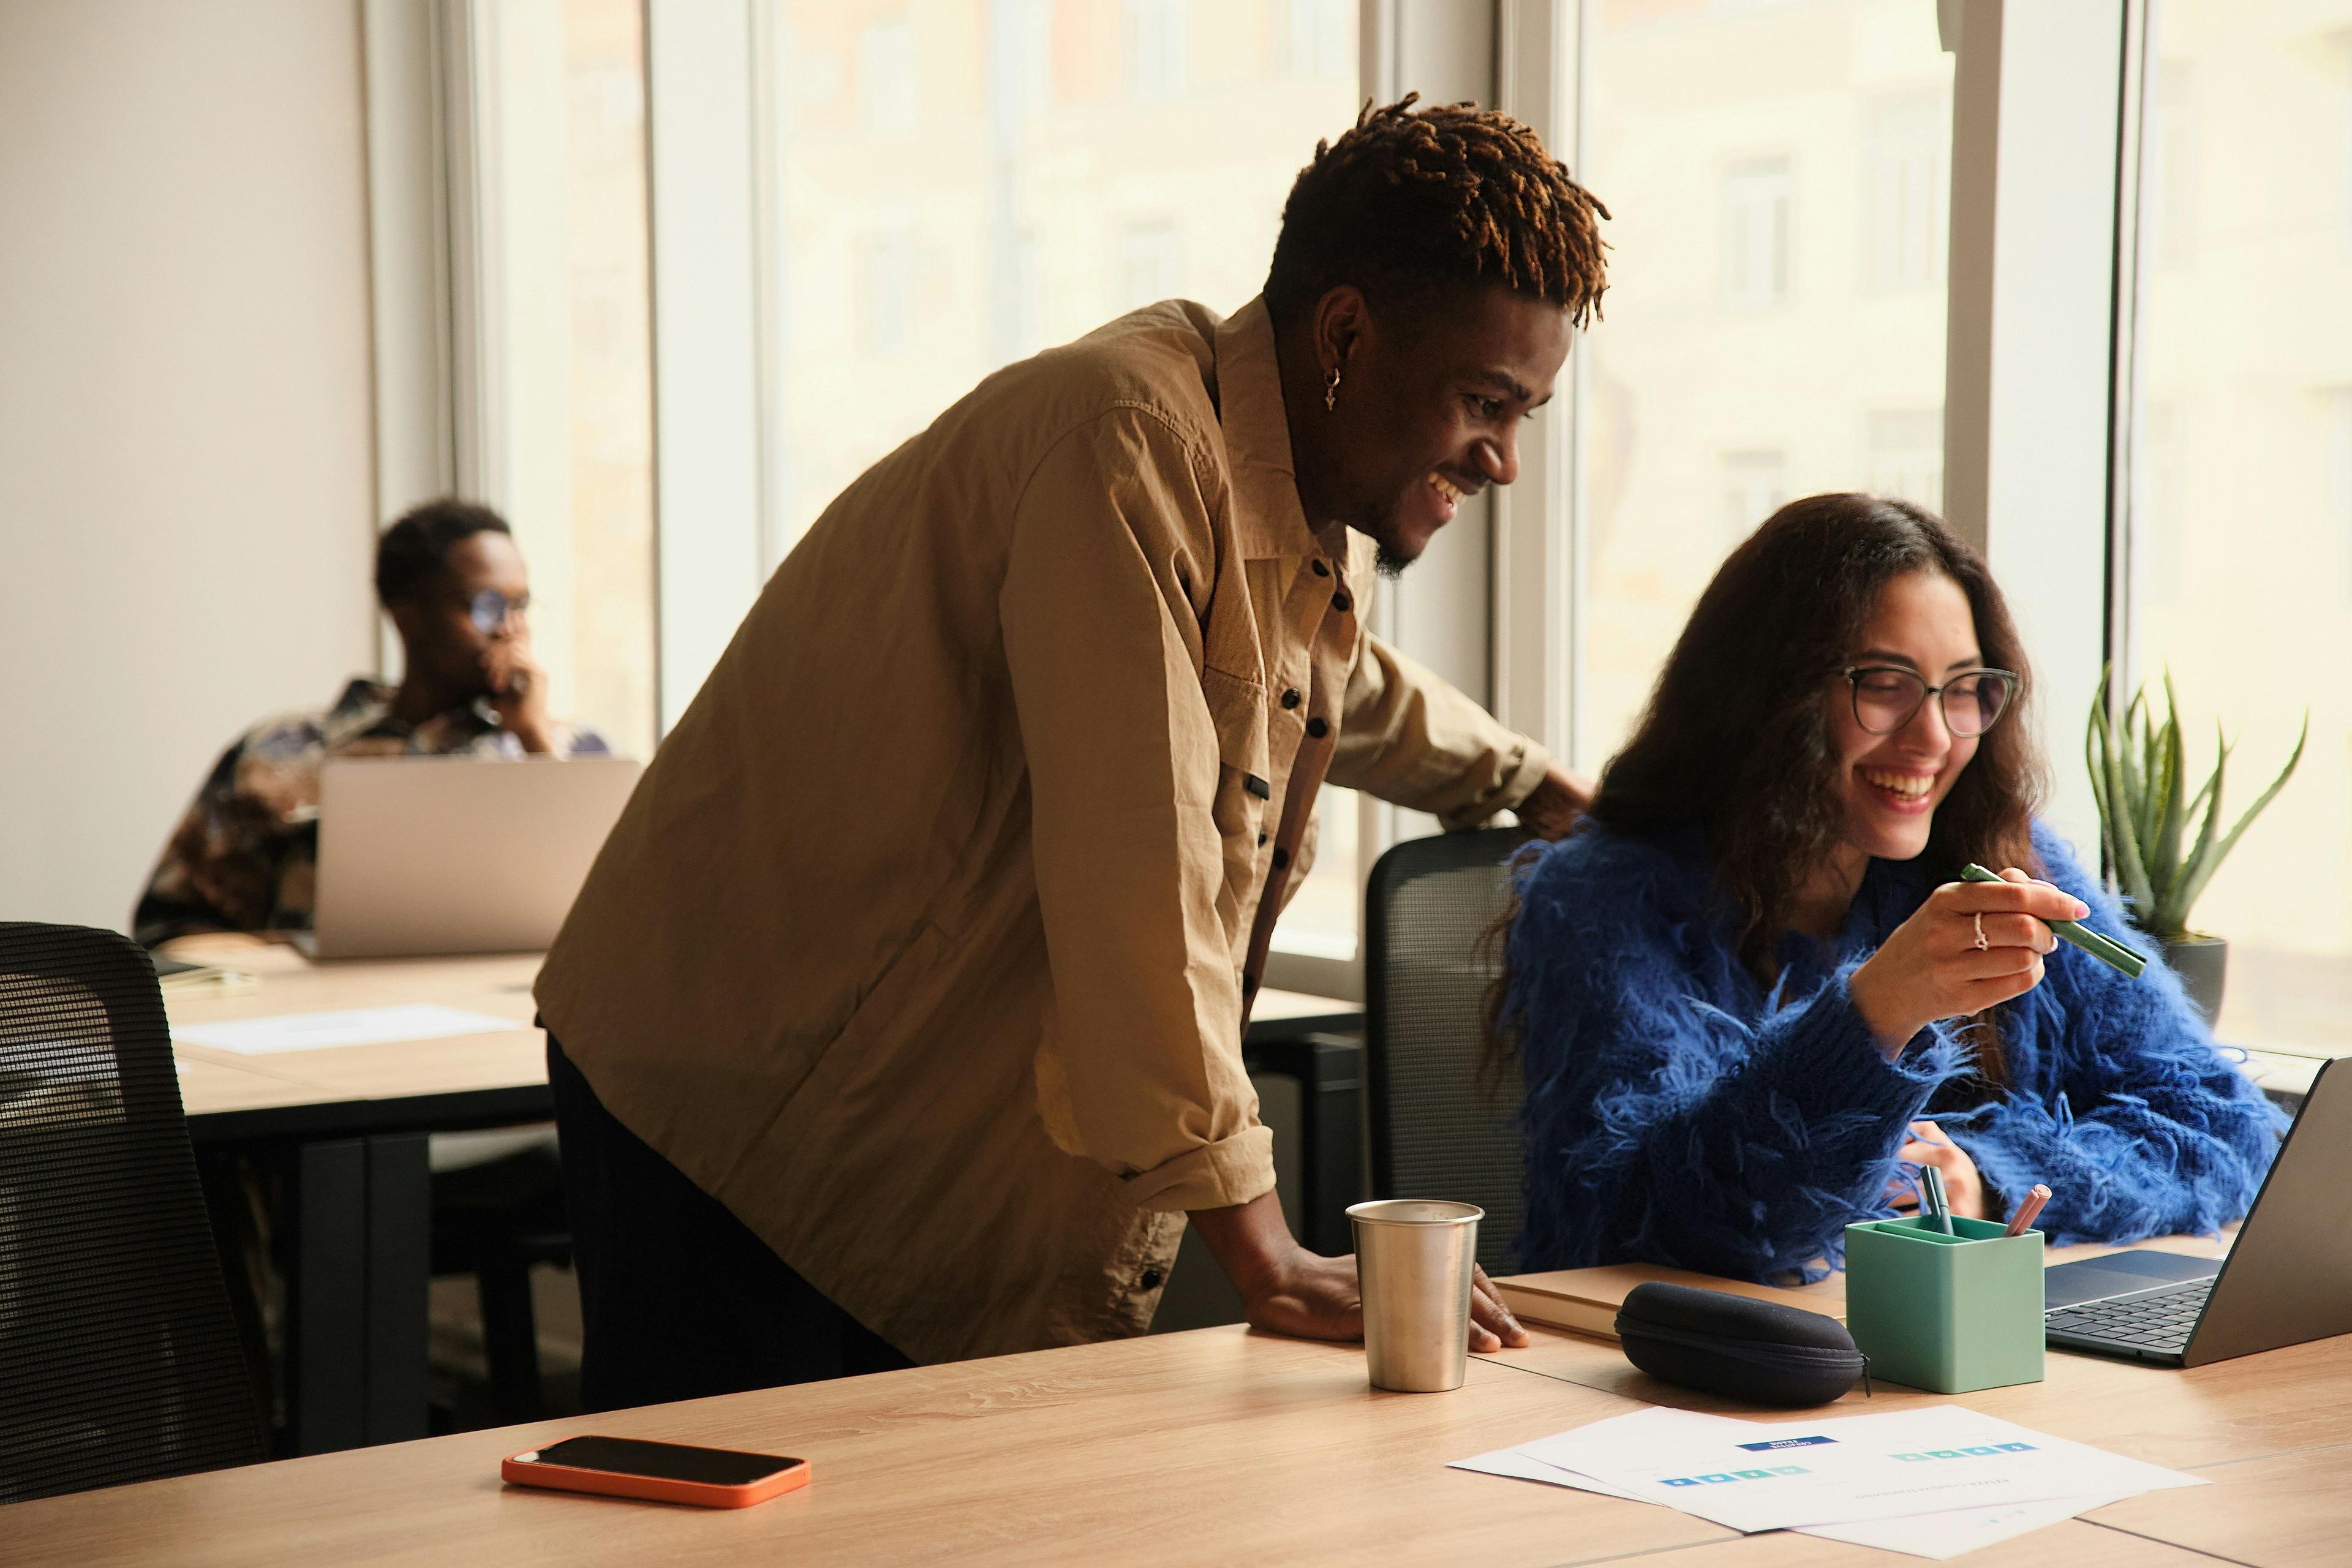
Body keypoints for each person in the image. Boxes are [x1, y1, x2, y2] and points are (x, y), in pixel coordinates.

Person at [536, 97, 1611, 1408]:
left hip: (872, 1091)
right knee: (732, 1525)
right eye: (1483, 401)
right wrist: (1263, 1253)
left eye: (1528, 414)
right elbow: (1139, 878)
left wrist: (1524, 782)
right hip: (741, 1088)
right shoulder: (1128, 440)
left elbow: (1313, 682)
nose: (1502, 457)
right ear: (1344, 336)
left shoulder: (1258, 483)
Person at [1493, 494, 2283, 1284]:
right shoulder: (1601, 898)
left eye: (1965, 687)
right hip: (1702, 1374)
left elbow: (2224, 1126)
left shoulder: (2005, 858)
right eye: (1884, 683)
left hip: (1967, 1356)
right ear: (1766, 692)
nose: (1936, 738)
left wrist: (1985, 1178)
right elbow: (1672, 1225)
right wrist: (1871, 1015)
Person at [134, 499, 607, 947]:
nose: (510, 629)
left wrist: (532, 736)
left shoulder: (570, 751)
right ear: (409, 619)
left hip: (504, 1017)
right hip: (324, 1014)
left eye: (519, 606)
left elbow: (624, 910)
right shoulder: (281, 750)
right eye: (486, 608)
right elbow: (169, 925)